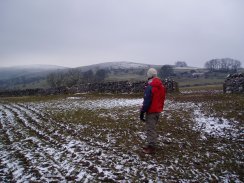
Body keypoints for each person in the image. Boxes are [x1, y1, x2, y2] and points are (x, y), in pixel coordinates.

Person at [140, 68, 166, 154]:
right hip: (158, 110)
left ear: (149, 75)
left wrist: (143, 111)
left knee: (150, 129)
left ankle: (152, 147)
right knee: (152, 128)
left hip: (151, 111)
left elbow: (147, 100)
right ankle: (150, 145)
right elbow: (162, 98)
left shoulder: (150, 87)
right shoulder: (161, 86)